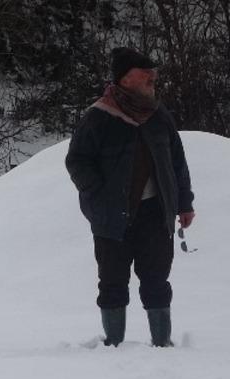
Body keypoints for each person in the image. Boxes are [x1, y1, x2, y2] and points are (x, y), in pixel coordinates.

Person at [65, 46, 195, 347]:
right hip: (111, 217)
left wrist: (184, 201)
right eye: (143, 71)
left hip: (155, 213)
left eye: (152, 71)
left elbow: (177, 161)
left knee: (156, 281)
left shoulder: (159, 114)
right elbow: (77, 160)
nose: (152, 76)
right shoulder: (99, 116)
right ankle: (114, 345)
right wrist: (98, 194)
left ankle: (162, 343)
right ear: (124, 79)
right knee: (112, 282)